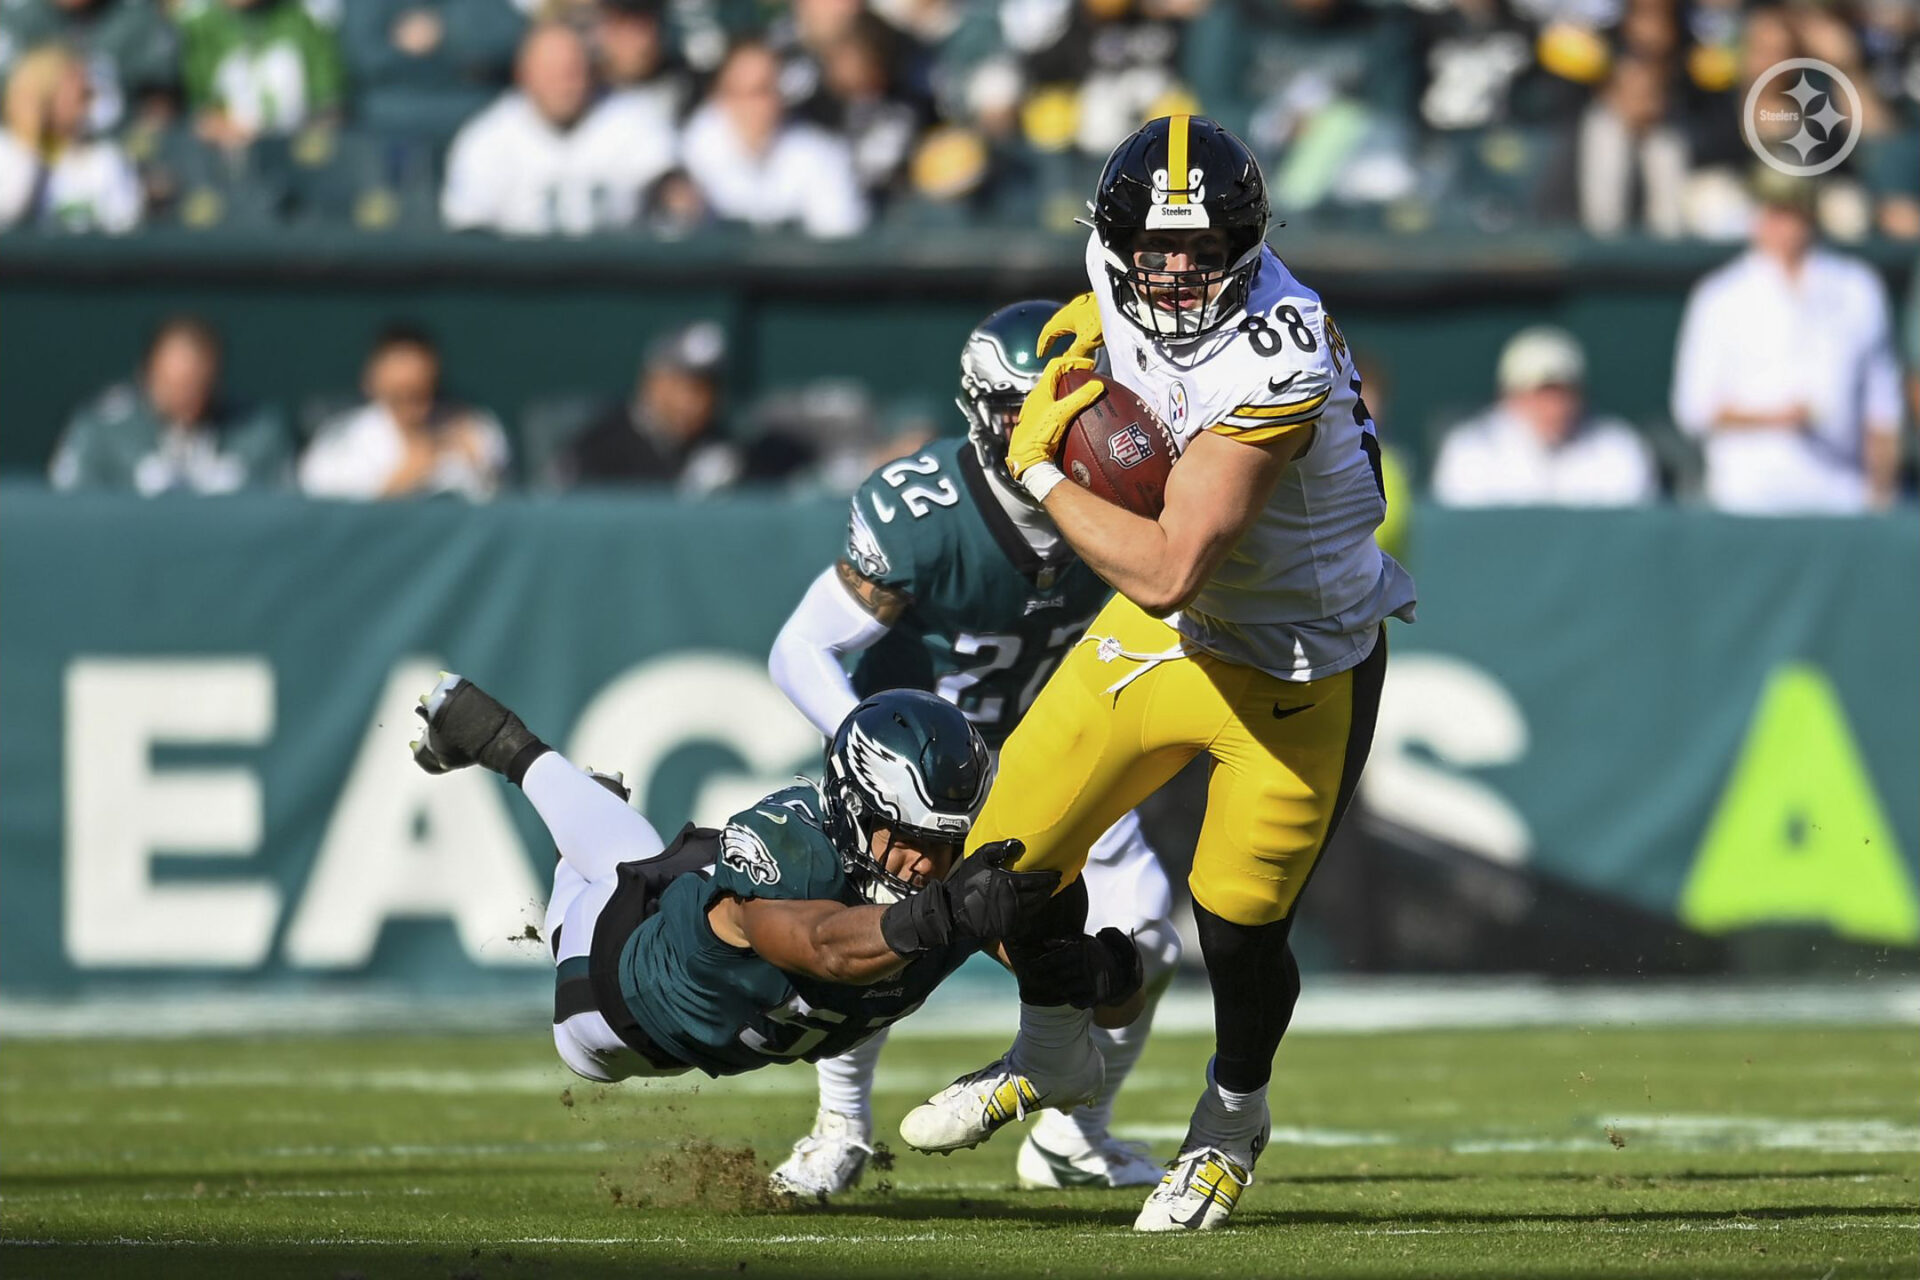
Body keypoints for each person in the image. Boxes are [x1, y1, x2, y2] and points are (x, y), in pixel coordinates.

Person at [895, 116, 1416, 1233]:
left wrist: (1039, 462)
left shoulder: (1282, 341)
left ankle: (1232, 1120)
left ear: (1250, 239)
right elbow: (1092, 329)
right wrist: (1076, 367)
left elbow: (1176, 564)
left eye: (1204, 244)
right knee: (1001, 860)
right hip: (1155, 641)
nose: (1175, 270)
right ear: (1115, 236)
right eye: (1153, 245)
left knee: (1237, 925)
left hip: (1292, 660)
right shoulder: (1104, 277)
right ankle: (1053, 1053)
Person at [764, 301, 1182, 1197]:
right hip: (926, 776)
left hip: (1050, 754)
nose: (1059, 430)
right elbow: (797, 650)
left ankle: (1076, 1132)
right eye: (1035, 409)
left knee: (1146, 928)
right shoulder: (926, 514)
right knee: (885, 937)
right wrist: (865, 748)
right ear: (987, 412)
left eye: (1076, 405)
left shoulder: (1129, 493)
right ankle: (839, 1127)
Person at [408, 676, 1141, 1089]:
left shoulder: (942, 882)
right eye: (913, 839)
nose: (930, 864)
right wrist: (946, 915)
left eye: (947, 843)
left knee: (644, 860)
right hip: (624, 1000)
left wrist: (1093, 973)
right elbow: (819, 946)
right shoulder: (791, 845)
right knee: (607, 890)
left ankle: (529, 759)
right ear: (858, 810)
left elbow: (1078, 997)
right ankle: (501, 741)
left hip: (708, 920)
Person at [1671, 171, 1904, 514]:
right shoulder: (1719, 296)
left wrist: (1881, 490)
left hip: (1841, 496)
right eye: (1772, 211)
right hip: (1748, 497)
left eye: (1793, 212)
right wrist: (1777, 418)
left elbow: (1882, 405)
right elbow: (1693, 408)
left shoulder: (1858, 288)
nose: (1782, 224)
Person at [440, 21, 677, 235]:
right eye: (551, 72)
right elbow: (468, 232)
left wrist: (674, 195)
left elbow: (674, 205)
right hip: (521, 277)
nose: (564, 83)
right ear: (523, 76)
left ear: (590, 72)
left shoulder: (633, 120)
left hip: (618, 274)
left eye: (573, 71)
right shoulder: (486, 139)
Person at [49, 314, 290, 493]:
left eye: (196, 384)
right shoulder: (100, 430)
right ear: (146, 375)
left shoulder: (254, 430)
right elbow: (70, 511)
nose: (185, 395)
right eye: (172, 384)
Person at [1430, 326, 1657, 508]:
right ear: (1508, 397)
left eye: (1564, 392)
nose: (1554, 407)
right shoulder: (1471, 452)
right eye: (1539, 393)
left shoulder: (1618, 449)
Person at [680, 38, 867, 239]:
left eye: (768, 89)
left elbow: (840, 240)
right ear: (721, 95)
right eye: (749, 92)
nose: (760, 104)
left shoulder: (820, 154)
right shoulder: (688, 150)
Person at [298, 326, 509, 500]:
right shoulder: (340, 440)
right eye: (400, 393)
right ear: (371, 380)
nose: (411, 401)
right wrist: (397, 483)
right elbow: (321, 512)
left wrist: (481, 467)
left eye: (418, 391)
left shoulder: (475, 428)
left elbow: (504, 502)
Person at [555, 321, 739, 492]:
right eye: (688, 387)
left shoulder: (723, 447)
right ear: (653, 382)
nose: (697, 403)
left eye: (710, 389)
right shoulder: (600, 449)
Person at [0, 44, 142, 232]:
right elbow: (10, 211)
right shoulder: (9, 150)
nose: (84, 91)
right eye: (71, 81)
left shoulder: (105, 160)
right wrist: (32, 135)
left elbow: (125, 230)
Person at [178, 0, 344, 148]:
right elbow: (199, 113)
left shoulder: (302, 20)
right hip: (231, 160)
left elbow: (328, 104)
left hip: (296, 156)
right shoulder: (201, 28)